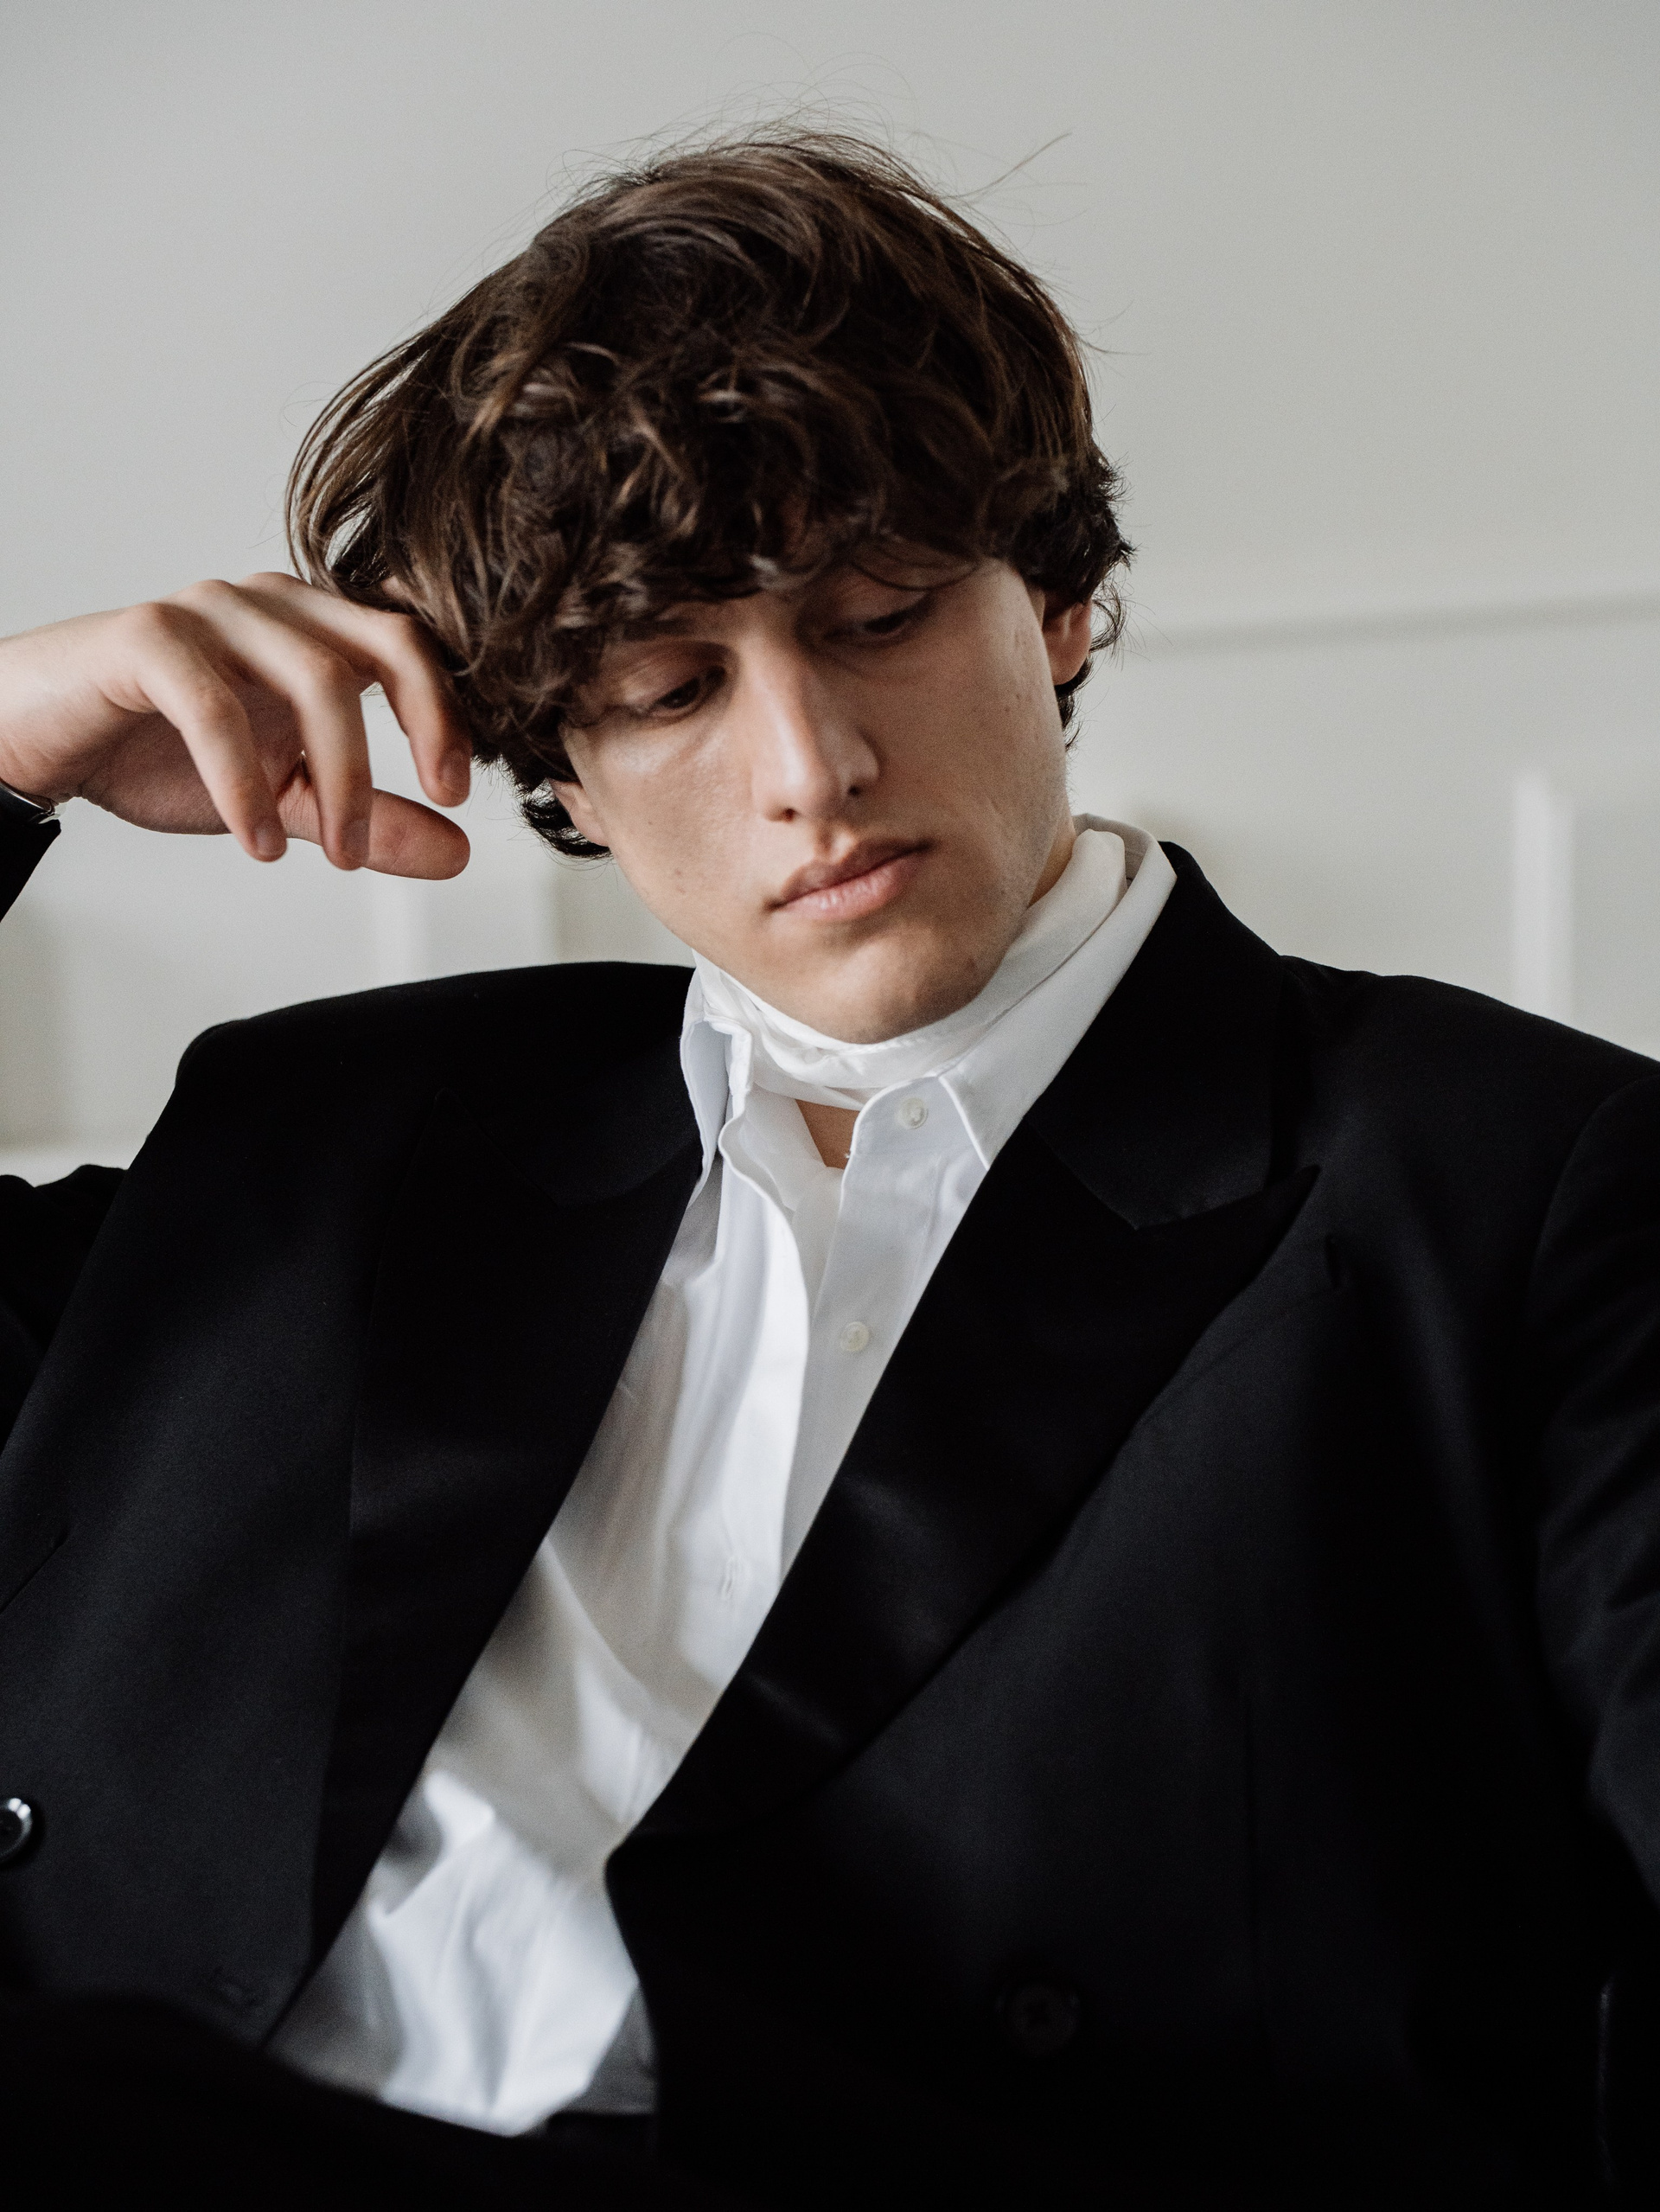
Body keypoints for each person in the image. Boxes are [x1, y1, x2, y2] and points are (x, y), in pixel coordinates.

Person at [0, 133, 1656, 2210]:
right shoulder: (331, 1138)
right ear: (556, 761)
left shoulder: (1517, 1186)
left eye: (878, 618)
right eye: (669, 687)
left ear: (1058, 598)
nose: (812, 770)